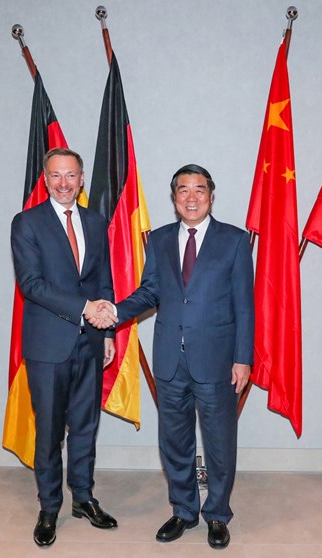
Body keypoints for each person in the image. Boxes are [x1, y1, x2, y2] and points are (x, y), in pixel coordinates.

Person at [91, 164, 254, 549]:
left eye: (199, 190)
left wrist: (243, 358)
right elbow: (150, 292)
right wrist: (114, 312)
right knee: (175, 441)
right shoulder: (160, 239)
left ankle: (217, 514)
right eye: (183, 190)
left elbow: (244, 305)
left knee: (219, 443)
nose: (191, 198)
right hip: (169, 359)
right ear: (174, 197)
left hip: (217, 360)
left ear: (211, 195)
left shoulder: (234, 240)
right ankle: (184, 510)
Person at [11, 147, 118, 547]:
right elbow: (32, 285)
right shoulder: (27, 223)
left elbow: (103, 279)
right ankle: (49, 507)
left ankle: (84, 498)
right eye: (55, 175)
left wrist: (108, 332)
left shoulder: (95, 221)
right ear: (45, 179)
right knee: (50, 431)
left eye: (70, 175)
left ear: (82, 179)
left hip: (90, 342)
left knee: (86, 427)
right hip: (48, 346)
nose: (63, 183)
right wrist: (84, 308)